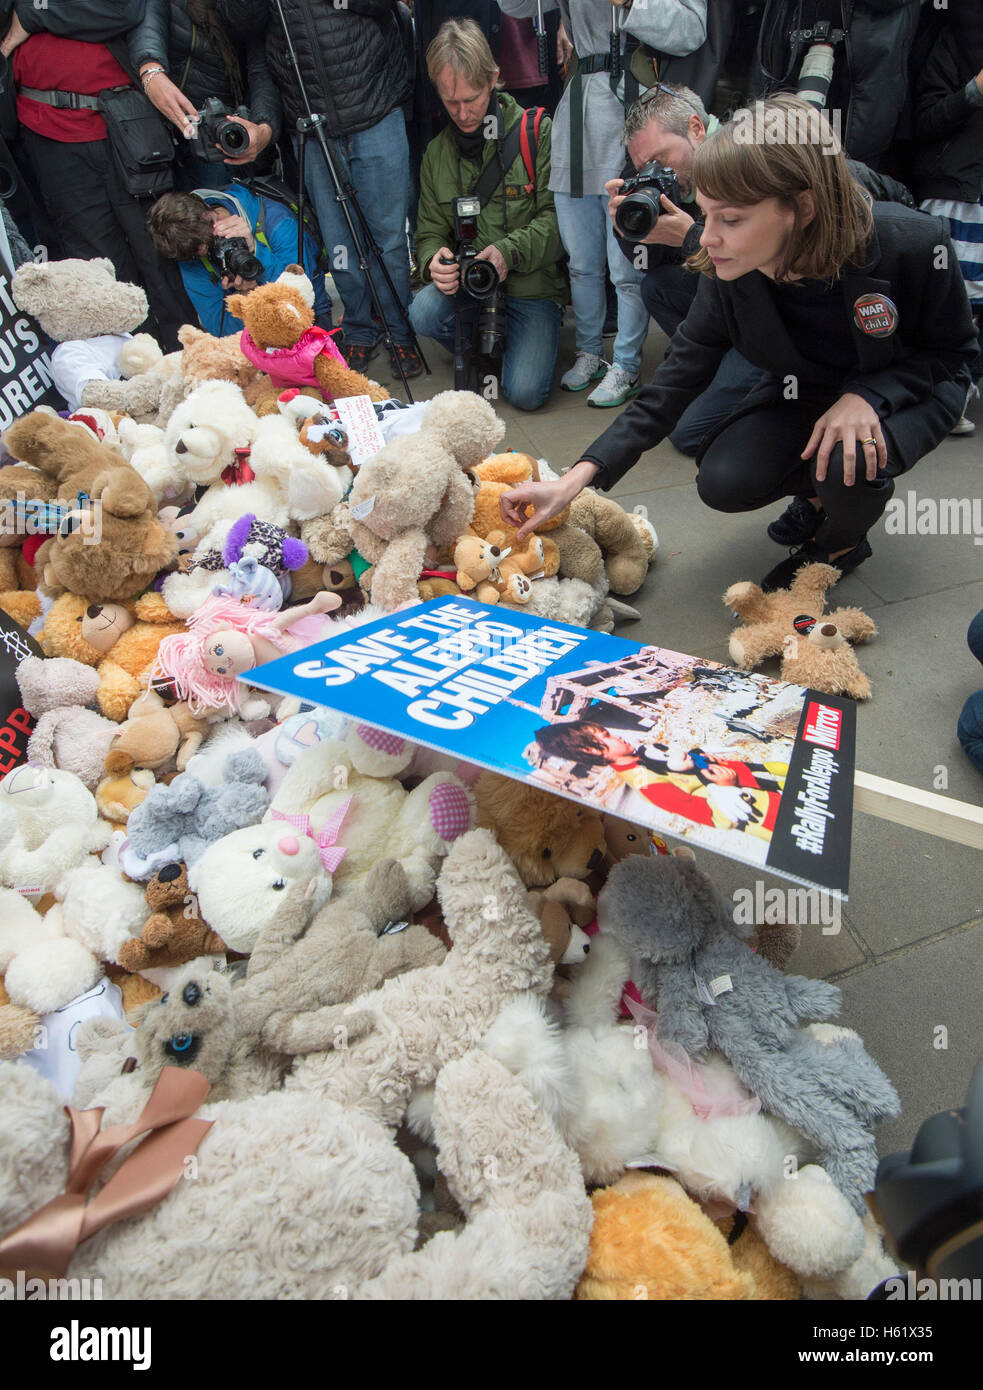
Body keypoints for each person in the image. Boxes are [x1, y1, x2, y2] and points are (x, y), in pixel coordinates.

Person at [501, 95, 979, 595]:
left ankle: (841, 541)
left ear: (802, 208)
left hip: (907, 390)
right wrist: (573, 481)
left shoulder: (914, 242)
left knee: (846, 460)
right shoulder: (729, 272)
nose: (705, 239)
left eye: (730, 220)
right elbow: (673, 383)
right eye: (705, 216)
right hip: (808, 389)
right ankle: (818, 499)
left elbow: (956, 358)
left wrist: (869, 396)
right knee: (723, 478)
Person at [608, 81, 919, 462]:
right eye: (644, 168)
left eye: (661, 158)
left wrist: (691, 235)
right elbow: (671, 266)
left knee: (700, 439)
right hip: (753, 298)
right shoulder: (680, 180)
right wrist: (631, 222)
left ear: (696, 128)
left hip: (821, 307)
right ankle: (739, 363)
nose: (656, 172)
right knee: (658, 286)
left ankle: (813, 393)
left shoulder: (764, 164)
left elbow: (829, 266)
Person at [499, 0, 708, 409]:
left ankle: (626, 365)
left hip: (636, 114)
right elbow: (515, 6)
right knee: (581, 261)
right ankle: (590, 352)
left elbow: (692, 29)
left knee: (628, 265)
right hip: (576, 114)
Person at [0, 0, 195, 351]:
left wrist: (33, 14)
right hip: (45, 134)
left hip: (125, 124)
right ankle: (135, 381)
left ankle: (191, 371)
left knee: (160, 255)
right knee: (98, 271)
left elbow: (123, 10)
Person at [261, 0, 421, 381]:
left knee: (389, 239)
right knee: (339, 244)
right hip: (313, 124)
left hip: (375, 106)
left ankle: (400, 330)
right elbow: (243, 21)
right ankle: (359, 329)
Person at [410, 19, 566, 412]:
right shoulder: (437, 154)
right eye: (451, 102)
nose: (463, 113)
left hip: (530, 286)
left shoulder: (537, 132)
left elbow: (558, 223)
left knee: (526, 393)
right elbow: (429, 232)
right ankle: (487, 341)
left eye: (473, 99)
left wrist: (506, 253)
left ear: (495, 78)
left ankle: (510, 342)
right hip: (470, 288)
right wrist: (434, 261)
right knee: (423, 312)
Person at [911, 18, 983, 437]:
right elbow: (926, 122)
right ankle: (946, 396)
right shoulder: (957, 37)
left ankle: (956, 389)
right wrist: (974, 90)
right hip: (958, 192)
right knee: (954, 305)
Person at [129, 0, 281, 191]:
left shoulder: (245, 11)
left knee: (219, 204)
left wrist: (264, 129)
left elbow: (262, 70)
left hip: (222, 132)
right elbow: (149, 29)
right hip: (169, 125)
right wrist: (151, 70)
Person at [147, 183, 331, 335]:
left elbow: (303, 296)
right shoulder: (190, 253)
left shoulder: (273, 218)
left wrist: (257, 252)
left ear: (213, 215)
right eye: (202, 252)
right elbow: (219, 328)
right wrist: (245, 301)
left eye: (211, 241)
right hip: (250, 333)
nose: (213, 250)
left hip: (308, 319)